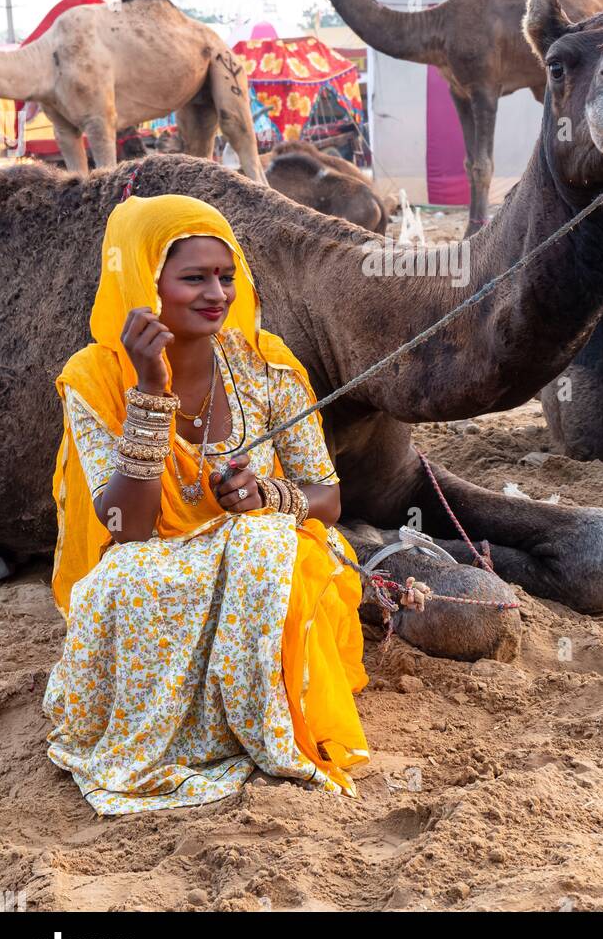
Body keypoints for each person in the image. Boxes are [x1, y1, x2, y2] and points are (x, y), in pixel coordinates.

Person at [44, 191, 369, 815]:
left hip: (259, 555)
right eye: (194, 278)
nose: (217, 293)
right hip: (158, 562)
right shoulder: (94, 379)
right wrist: (150, 393)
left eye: (226, 276)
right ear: (144, 282)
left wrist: (265, 497)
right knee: (125, 584)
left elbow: (327, 499)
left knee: (282, 548)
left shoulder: (266, 365)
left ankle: (262, 719)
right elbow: (127, 529)